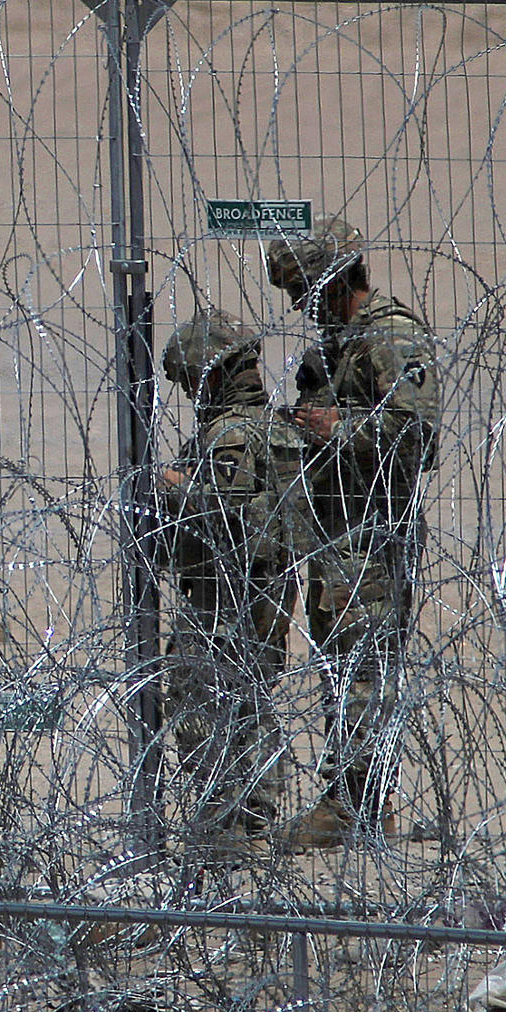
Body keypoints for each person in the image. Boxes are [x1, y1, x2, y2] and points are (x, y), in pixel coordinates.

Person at [267, 215, 441, 848]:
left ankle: (360, 807)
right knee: (343, 668)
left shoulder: (392, 336)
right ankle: (352, 796)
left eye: (304, 295)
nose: (301, 310)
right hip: (339, 531)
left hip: (373, 532)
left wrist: (338, 429)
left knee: (363, 670)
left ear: (334, 284)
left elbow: (418, 436)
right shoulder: (340, 346)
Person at [156, 308, 309, 852]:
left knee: (199, 693)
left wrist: (171, 485)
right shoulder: (279, 427)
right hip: (274, 585)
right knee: (251, 697)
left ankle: (226, 822)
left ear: (212, 376)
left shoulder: (229, 435)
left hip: (226, 589)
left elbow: (225, 512)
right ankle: (257, 816)